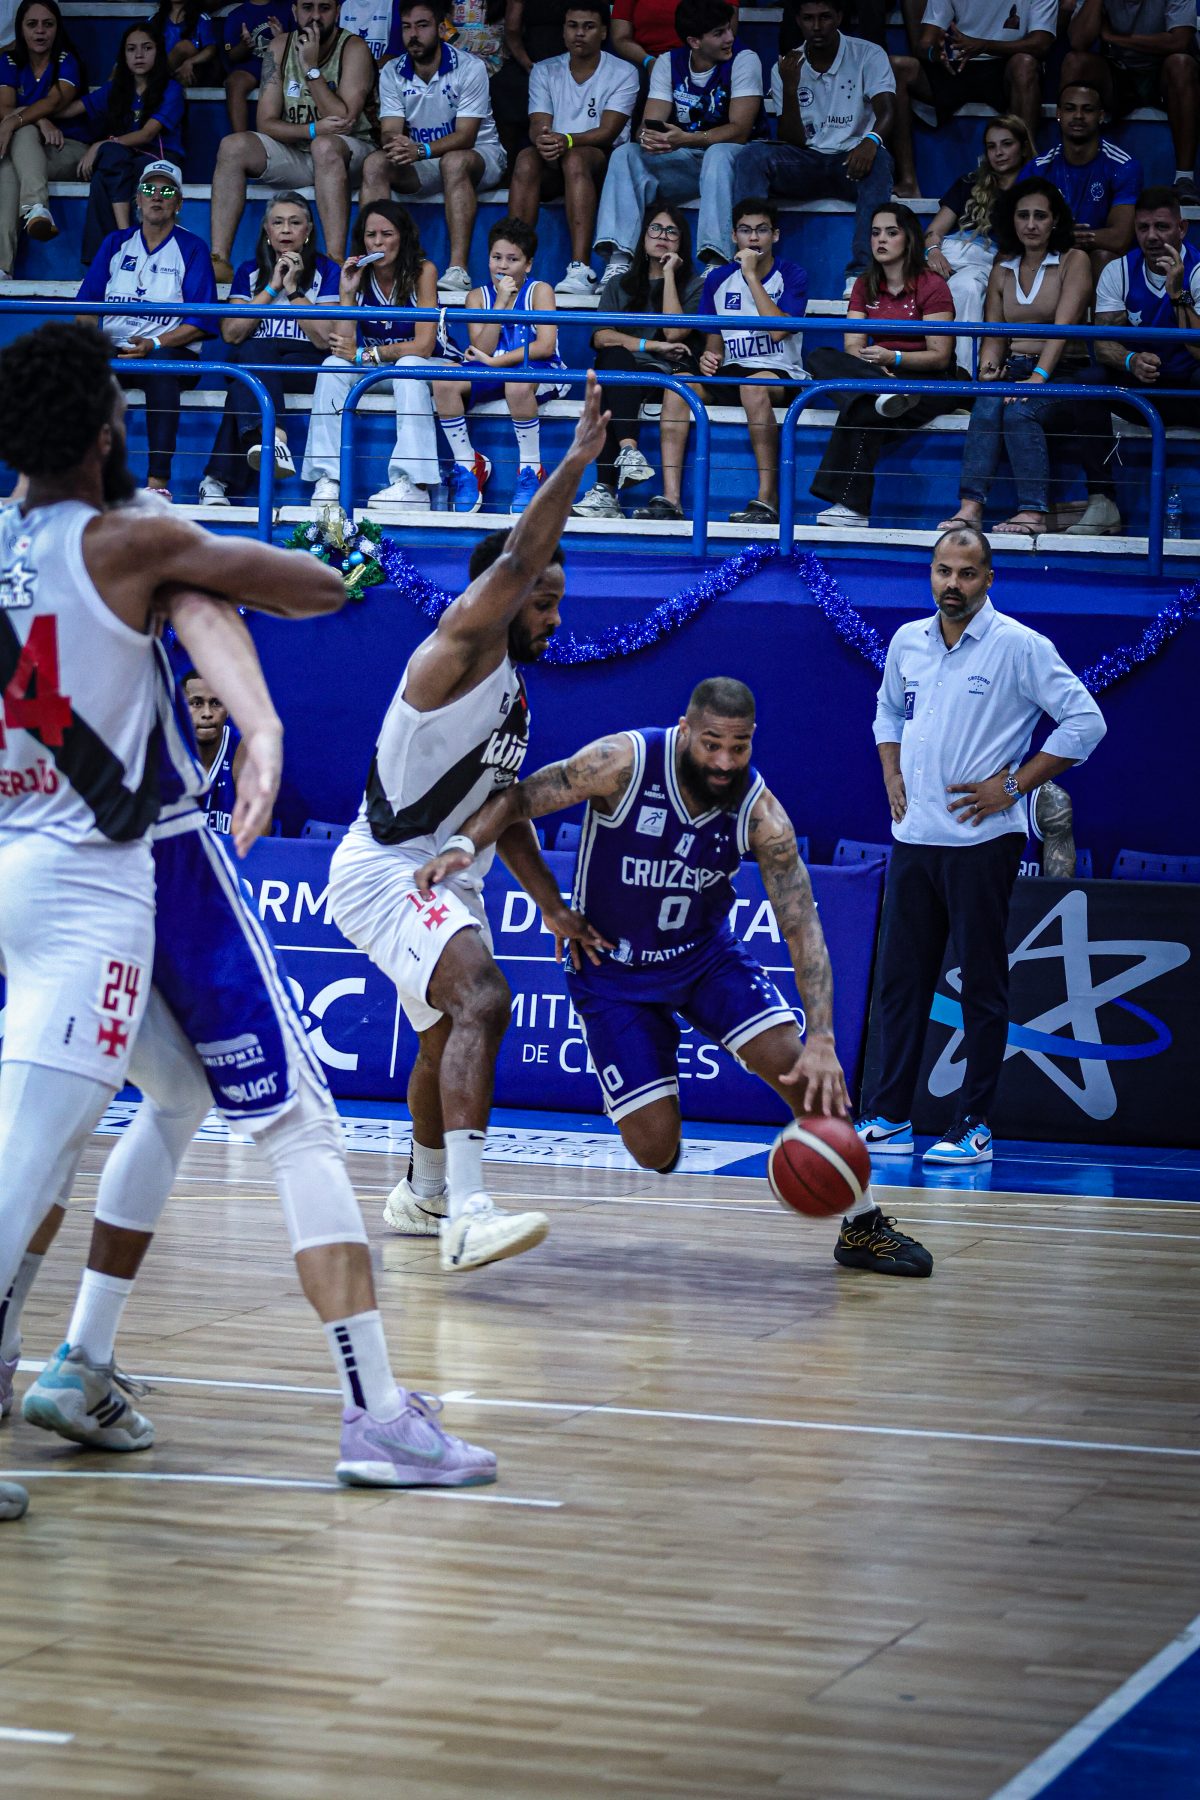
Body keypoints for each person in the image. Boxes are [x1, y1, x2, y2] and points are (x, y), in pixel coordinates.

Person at [0, 325, 467, 1503]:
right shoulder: (133, 537)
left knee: (159, 1100)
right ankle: (378, 1415)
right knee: (283, 1124)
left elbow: (201, 612)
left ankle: (77, 1359)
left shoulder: (31, 540)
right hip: (134, 865)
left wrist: (254, 724)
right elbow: (284, 591)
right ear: (103, 425)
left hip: (24, 860)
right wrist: (317, 621)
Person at [415, 677, 934, 1278]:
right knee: (655, 1150)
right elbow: (515, 801)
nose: (725, 761)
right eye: (712, 744)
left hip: (704, 961)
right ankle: (647, 1058)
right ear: (685, 730)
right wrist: (497, 868)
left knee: (806, 1075)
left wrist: (821, 1037)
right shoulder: (620, 762)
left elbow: (802, 927)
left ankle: (863, 1224)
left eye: (739, 747)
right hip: (612, 973)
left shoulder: (761, 815)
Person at [325, 375, 611, 1273]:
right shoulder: (453, 650)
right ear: (501, 595)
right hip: (383, 866)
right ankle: (469, 1212)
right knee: (484, 996)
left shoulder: (514, 698)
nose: (554, 617)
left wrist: (550, 904)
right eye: (543, 601)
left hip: (442, 868)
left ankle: (423, 1194)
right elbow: (520, 556)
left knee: (449, 1030)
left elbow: (507, 807)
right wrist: (575, 461)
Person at [855, 526, 1106, 1165]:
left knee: (981, 985)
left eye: (967, 574)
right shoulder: (908, 641)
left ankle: (973, 1125)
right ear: (931, 574)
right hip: (913, 838)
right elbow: (887, 711)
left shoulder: (1019, 646)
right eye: (943, 571)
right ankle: (889, 1116)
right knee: (901, 984)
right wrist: (890, 770)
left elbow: (1086, 721)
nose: (953, 584)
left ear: (989, 579)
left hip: (982, 842)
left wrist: (1013, 786)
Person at [937, 177, 1121, 538]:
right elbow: (995, 332)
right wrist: (989, 369)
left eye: (1040, 215)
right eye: (1023, 215)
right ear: (1012, 220)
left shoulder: (1074, 260)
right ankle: (970, 508)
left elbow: (1063, 330)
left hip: (1064, 371)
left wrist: (1037, 378)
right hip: (1017, 369)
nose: (1031, 224)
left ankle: (1032, 511)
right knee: (986, 404)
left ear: (1055, 220)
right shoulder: (1003, 265)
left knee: (1020, 411)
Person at [639, 196, 805, 526]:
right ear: (733, 236)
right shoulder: (717, 280)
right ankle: (671, 499)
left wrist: (751, 276)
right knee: (677, 388)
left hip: (779, 372)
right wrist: (709, 358)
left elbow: (777, 332)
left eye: (761, 230)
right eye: (745, 230)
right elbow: (715, 341)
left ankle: (767, 499)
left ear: (775, 235)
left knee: (752, 387)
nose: (753, 238)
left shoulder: (793, 274)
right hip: (733, 372)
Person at [806, 202, 960, 530]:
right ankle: (882, 391)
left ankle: (852, 507)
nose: (881, 240)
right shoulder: (865, 284)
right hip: (880, 373)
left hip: (927, 377)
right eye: (876, 233)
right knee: (818, 356)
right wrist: (877, 372)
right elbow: (852, 345)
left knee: (862, 409)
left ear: (909, 239)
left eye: (891, 232)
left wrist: (895, 358)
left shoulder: (932, 284)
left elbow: (940, 355)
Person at [732, 0, 897, 297]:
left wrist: (871, 141)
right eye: (808, 18)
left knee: (880, 161)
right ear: (798, 20)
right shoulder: (785, 67)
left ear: (840, 16)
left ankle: (862, 273)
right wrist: (790, 86)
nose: (817, 26)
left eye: (825, 17)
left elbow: (887, 111)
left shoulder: (868, 54)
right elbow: (791, 138)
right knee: (752, 156)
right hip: (805, 161)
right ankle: (750, 262)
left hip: (852, 160)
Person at [76, 160, 217, 500]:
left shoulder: (192, 248)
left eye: (167, 191)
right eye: (149, 189)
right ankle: (85, 477)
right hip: (117, 346)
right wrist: (91, 348)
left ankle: (158, 484)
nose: (157, 196)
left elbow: (201, 322)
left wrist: (153, 342)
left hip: (170, 350)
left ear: (178, 203)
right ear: (137, 199)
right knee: (78, 371)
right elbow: (85, 307)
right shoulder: (115, 242)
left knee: (160, 370)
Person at [208, 0, 376, 286]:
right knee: (232, 146)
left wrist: (311, 68)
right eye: (307, 7)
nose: (315, 16)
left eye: (324, 8)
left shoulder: (353, 47)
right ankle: (219, 259)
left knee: (325, 146)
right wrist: (312, 129)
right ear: (295, 11)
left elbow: (344, 119)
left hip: (350, 153)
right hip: (299, 151)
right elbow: (266, 122)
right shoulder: (279, 47)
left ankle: (334, 259)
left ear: (338, 12)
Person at [594, 0, 762, 278]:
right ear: (694, 41)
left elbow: (740, 130)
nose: (729, 38)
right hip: (687, 161)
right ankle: (619, 261)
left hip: (734, 162)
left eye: (728, 29)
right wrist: (649, 137)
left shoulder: (744, 59)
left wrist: (686, 139)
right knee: (626, 154)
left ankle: (716, 261)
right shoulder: (668, 62)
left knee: (718, 153)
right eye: (719, 33)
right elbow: (650, 123)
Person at [200, 191, 339, 505]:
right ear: (267, 229)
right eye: (278, 222)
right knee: (250, 360)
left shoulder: (328, 270)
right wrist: (273, 286)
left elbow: (324, 338)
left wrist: (294, 290)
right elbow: (231, 333)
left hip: (305, 364)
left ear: (308, 230)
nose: (286, 230)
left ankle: (216, 480)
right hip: (259, 361)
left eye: (295, 223)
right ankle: (273, 440)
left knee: (246, 377)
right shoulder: (248, 271)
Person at [302, 199, 441, 510]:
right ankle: (329, 479)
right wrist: (347, 292)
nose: (378, 242)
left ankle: (414, 485)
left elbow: (424, 346)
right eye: (371, 235)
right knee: (332, 366)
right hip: (380, 367)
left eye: (387, 234)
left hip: (430, 366)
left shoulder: (423, 271)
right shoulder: (360, 274)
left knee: (408, 365)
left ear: (403, 237)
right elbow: (343, 346)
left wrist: (366, 355)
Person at [361, 0, 507, 293]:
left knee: (454, 161)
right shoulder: (392, 71)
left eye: (422, 25)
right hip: (425, 159)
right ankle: (375, 264)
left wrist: (419, 150)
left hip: (481, 155)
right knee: (375, 163)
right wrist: (395, 143)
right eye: (407, 27)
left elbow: (466, 136)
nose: (413, 34)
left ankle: (457, 270)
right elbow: (389, 130)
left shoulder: (470, 67)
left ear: (441, 28)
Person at [573, 199, 703, 518]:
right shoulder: (620, 285)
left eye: (672, 232)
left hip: (666, 376)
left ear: (681, 242)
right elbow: (601, 336)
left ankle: (606, 491)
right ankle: (629, 453)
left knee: (608, 378)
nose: (662, 236)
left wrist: (669, 275)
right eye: (655, 229)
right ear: (643, 237)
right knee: (611, 362)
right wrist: (651, 345)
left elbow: (674, 332)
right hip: (626, 372)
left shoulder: (694, 286)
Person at [432, 215, 570, 515]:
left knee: (516, 383)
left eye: (512, 259)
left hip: (538, 370)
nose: (503, 266)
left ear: (528, 264)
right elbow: (479, 349)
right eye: (496, 257)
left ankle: (531, 469)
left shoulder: (540, 291)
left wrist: (497, 362)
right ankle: (469, 465)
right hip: (492, 369)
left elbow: (545, 346)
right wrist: (500, 304)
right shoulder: (476, 297)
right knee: (442, 380)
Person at [507, 0, 639, 295]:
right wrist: (543, 139)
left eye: (588, 27)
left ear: (603, 32)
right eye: (573, 26)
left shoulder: (624, 71)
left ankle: (580, 269)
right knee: (526, 158)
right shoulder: (544, 70)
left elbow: (608, 132)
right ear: (564, 30)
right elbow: (538, 123)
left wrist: (565, 140)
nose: (579, 33)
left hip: (603, 160)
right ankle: (513, 262)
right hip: (556, 154)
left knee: (575, 158)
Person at [888, 0, 1055, 198]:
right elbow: (925, 43)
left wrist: (984, 45)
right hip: (959, 64)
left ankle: (1025, 176)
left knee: (1025, 64)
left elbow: (1041, 43)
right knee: (897, 67)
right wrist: (934, 53)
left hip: (1006, 64)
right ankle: (908, 181)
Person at [60, 22, 184, 263]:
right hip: (123, 157)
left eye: (147, 48)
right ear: (123, 55)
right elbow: (72, 109)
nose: (139, 55)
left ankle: (120, 244)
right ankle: (107, 256)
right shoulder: (116, 88)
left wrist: (100, 145)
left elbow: (147, 134)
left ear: (158, 52)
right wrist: (35, 115)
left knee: (109, 164)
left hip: (159, 157)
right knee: (103, 175)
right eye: (131, 49)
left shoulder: (171, 89)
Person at [923, 113, 1034, 371]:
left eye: (1007, 144)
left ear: (1023, 147)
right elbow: (933, 231)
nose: (999, 152)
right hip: (947, 254)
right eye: (991, 146)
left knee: (967, 287)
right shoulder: (969, 182)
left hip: (987, 260)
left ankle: (964, 372)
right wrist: (933, 251)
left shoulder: (1033, 191)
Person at [1063, 0, 1198, 207]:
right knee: (1075, 62)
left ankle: (1184, 179)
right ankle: (1068, 168)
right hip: (1117, 70)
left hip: (1161, 70)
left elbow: (1179, 41)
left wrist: (1115, 38)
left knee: (1182, 64)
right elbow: (1078, 41)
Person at [1088, 185, 1200, 428]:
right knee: (1090, 380)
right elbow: (1102, 345)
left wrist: (1178, 295)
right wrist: (1131, 360)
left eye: (1161, 226)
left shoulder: (1197, 271)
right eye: (1143, 228)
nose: (1151, 236)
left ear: (1182, 228)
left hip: (1189, 389)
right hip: (1141, 386)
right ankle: (1100, 455)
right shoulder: (1118, 271)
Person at [1019, 82, 1142, 279]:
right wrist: (1061, 239)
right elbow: (1019, 227)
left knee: (1103, 257)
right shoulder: (1038, 168)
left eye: (1087, 109)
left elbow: (1119, 238)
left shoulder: (1123, 166)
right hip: (1051, 252)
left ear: (1100, 115)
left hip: (1094, 257)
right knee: (1006, 257)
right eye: (1070, 109)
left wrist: (1066, 238)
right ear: (1058, 113)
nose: (1078, 115)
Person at [0, 0, 86, 277]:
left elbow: (54, 101)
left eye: (48, 24)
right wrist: (36, 120)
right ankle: (34, 209)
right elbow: (4, 107)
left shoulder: (67, 61)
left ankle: (3, 263)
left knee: (18, 138)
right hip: (27, 155)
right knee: (10, 163)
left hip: (68, 149)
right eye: (32, 24)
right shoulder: (9, 61)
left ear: (57, 28)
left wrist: (20, 117)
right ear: (21, 28)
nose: (40, 31)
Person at [490, 0, 571, 164]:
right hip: (532, 60)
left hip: (567, 60)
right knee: (504, 88)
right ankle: (508, 164)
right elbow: (512, 29)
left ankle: (509, 164)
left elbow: (512, 28)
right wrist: (527, 64)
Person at [179, 668, 248, 833]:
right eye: (196, 703)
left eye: (216, 703)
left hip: (228, 851)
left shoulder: (243, 751)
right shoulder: (164, 750)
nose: (207, 713)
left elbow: (253, 839)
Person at [221, 0, 293, 135]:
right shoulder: (236, 15)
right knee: (234, 82)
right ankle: (241, 140)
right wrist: (244, 46)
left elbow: (300, 46)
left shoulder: (289, 8)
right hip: (251, 66)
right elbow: (232, 56)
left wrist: (281, 38)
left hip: (282, 65)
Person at [145, 0, 220, 84]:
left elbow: (211, 48)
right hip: (161, 71)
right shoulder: (154, 20)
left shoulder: (201, 17)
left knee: (185, 46)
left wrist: (190, 61)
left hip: (192, 73)